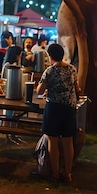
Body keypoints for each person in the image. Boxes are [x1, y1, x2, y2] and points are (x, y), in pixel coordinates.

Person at [36, 43, 80, 183]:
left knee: (52, 141)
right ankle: (68, 174)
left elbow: (39, 91)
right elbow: (77, 88)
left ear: (50, 56)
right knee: (68, 141)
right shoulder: (72, 69)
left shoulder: (49, 71)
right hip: (69, 108)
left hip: (54, 108)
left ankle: (54, 174)